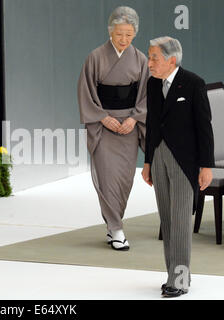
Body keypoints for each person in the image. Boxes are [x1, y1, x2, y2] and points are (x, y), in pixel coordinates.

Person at [142, 36, 214, 297]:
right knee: (168, 219)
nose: (149, 63)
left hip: (185, 161)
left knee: (182, 221)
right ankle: (173, 275)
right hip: (159, 157)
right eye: (149, 57)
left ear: (171, 60)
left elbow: (204, 128)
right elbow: (151, 125)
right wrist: (148, 161)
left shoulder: (194, 84)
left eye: (154, 58)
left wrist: (206, 166)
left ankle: (180, 280)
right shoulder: (152, 84)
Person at [77, 6, 149, 251]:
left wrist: (134, 119)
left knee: (123, 179)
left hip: (128, 126)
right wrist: (102, 117)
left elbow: (147, 96)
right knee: (107, 178)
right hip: (103, 125)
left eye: (129, 35)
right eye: (120, 34)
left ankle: (112, 225)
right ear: (111, 31)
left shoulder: (140, 59)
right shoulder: (95, 57)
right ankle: (117, 229)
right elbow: (86, 92)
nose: (124, 40)